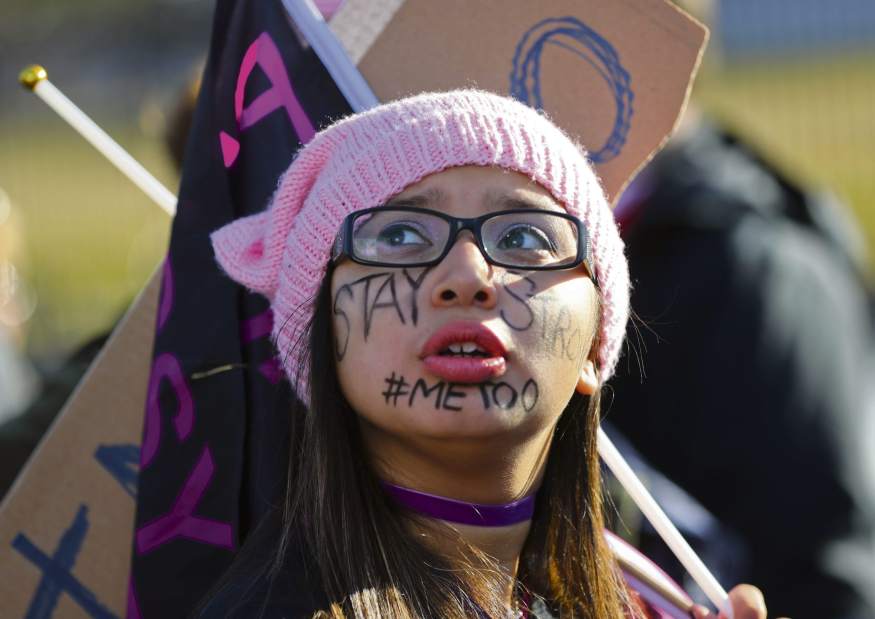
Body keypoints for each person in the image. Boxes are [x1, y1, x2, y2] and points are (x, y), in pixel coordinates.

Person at [198, 90, 772, 618]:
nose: (467, 277)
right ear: (318, 334)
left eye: (525, 238)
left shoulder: (645, 598)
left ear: (596, 347)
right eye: (399, 236)